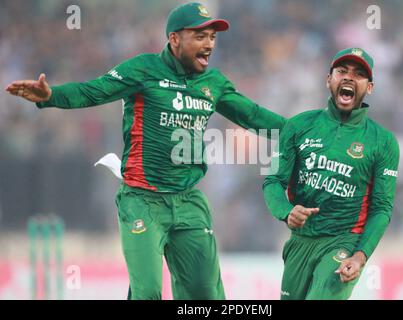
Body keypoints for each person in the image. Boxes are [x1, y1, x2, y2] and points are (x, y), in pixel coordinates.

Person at [5, 2, 285, 300]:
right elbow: (93, 91)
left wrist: (308, 131)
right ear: (174, 38)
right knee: (148, 291)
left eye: (212, 38)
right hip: (142, 199)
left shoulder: (212, 83)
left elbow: (254, 116)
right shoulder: (142, 69)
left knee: (205, 294)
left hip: (188, 201)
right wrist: (51, 96)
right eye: (200, 36)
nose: (209, 45)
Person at [263, 48, 400, 300]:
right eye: (342, 71)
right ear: (329, 80)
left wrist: (360, 256)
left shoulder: (383, 142)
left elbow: (382, 208)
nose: (349, 78)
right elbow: (273, 180)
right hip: (300, 242)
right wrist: (286, 211)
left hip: (344, 242)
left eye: (359, 74)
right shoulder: (298, 126)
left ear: (369, 87)